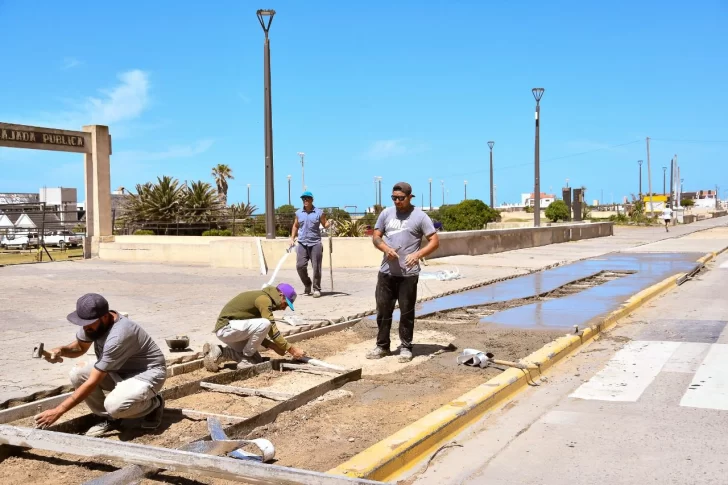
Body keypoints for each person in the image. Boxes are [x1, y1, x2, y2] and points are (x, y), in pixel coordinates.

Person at [34, 293, 166, 437]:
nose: (85, 328)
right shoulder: (93, 325)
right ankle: (110, 418)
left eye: (89, 324)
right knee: (77, 374)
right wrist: (61, 350)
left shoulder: (119, 335)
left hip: (146, 374)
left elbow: (92, 381)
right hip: (118, 370)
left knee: (114, 406)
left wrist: (57, 411)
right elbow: (80, 347)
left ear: (104, 316)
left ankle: (154, 404)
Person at [367, 182, 440, 363]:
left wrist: (418, 254)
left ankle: (406, 347)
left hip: (408, 275)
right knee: (383, 310)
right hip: (386, 273)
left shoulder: (420, 217)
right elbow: (376, 237)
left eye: (401, 198)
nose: (397, 201)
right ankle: (382, 346)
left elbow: (434, 241)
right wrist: (385, 248)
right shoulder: (386, 214)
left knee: (406, 311)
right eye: (394, 198)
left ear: (409, 197)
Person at [203, 283, 307, 372]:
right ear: (281, 295)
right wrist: (291, 349)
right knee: (266, 323)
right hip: (226, 328)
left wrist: (274, 346)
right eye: (286, 304)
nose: (284, 308)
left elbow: (257, 333)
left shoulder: (264, 299)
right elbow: (271, 329)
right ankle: (246, 358)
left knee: (256, 360)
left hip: (234, 331)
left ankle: (219, 352)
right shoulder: (264, 300)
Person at [290, 191, 331, 298]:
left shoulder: (319, 213)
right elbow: (295, 225)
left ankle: (316, 288)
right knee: (300, 266)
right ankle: (307, 284)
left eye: (307, 198)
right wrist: (292, 238)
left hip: (315, 243)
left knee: (316, 267)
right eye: (303, 199)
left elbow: (324, 223)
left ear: (312, 200)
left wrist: (329, 224)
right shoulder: (298, 213)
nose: (305, 200)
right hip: (302, 243)